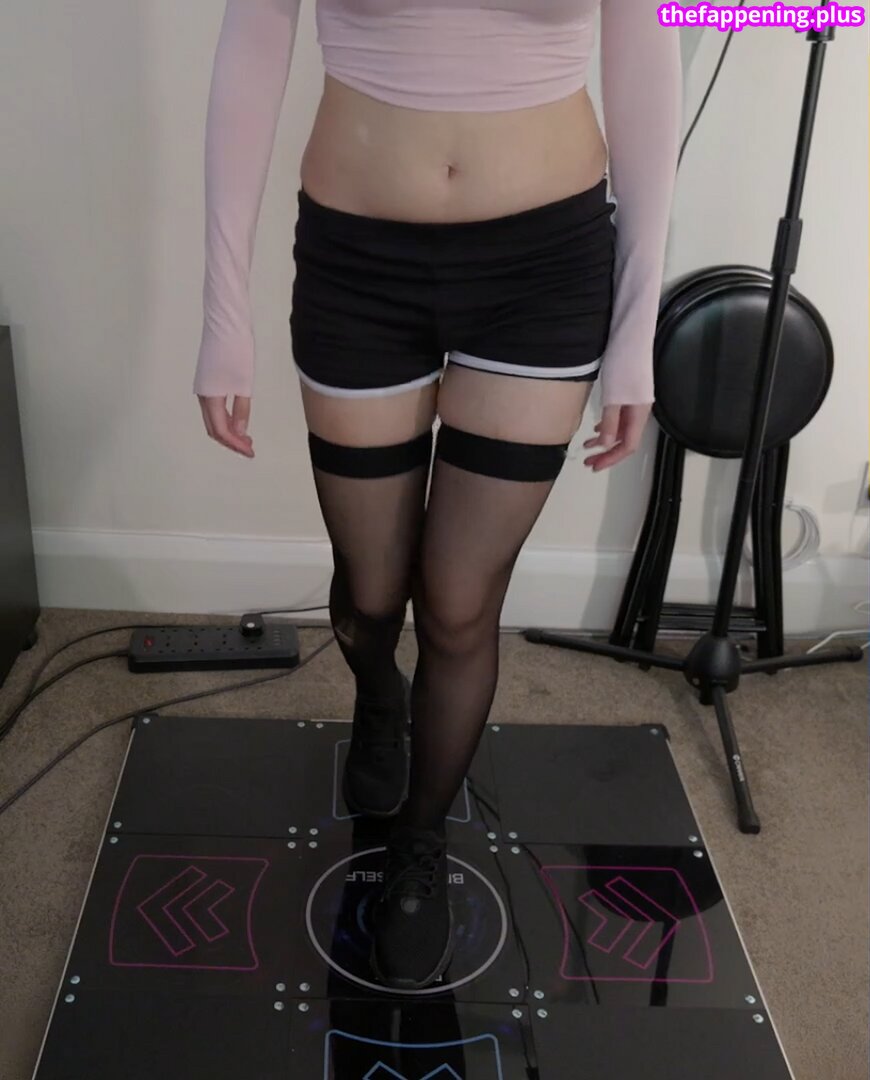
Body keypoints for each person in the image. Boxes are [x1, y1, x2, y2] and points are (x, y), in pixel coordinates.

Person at [193, 0, 681, 991]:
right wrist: (223, 310)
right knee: (374, 593)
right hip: (357, 262)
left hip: (546, 267)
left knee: (459, 606)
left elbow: (646, 60)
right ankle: (381, 695)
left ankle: (419, 841)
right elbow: (253, 40)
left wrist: (637, 326)